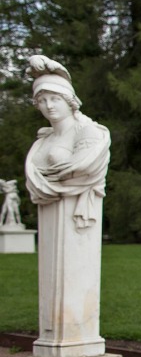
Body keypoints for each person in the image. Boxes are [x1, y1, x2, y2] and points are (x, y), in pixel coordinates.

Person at [24, 54, 111, 231]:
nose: (49, 106)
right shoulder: (41, 142)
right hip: (50, 215)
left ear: (69, 101)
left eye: (55, 99)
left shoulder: (89, 132)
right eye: (42, 101)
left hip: (74, 221)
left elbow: (84, 168)